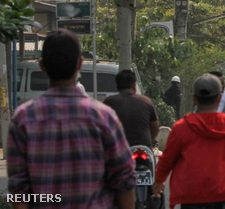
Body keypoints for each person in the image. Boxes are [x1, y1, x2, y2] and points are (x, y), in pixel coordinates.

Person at [6, 29, 136, 208]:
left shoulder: (23, 119)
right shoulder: (104, 117)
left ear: (42, 66)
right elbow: (124, 181)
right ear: (80, 64)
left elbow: (18, 192)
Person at [153, 74, 225, 209]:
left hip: (193, 198)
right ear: (220, 98)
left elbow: (166, 161)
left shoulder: (181, 128)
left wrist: (159, 182)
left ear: (194, 99)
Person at [104, 69, 160, 148]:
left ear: (117, 86)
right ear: (134, 86)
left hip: (118, 149)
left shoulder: (109, 102)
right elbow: (155, 128)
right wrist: (151, 140)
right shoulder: (146, 101)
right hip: (143, 149)